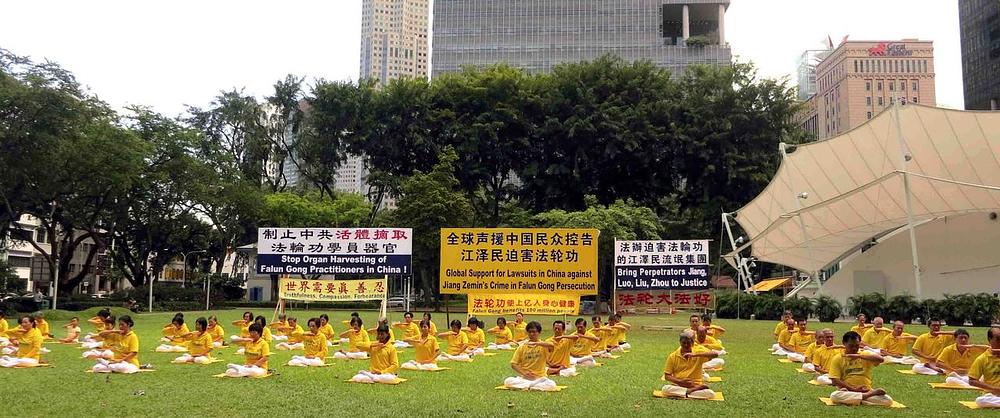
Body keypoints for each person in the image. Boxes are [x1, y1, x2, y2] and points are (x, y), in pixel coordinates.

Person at [828, 331, 893, 406]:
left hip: (865, 390)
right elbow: (835, 380)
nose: (854, 348)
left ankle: (856, 400)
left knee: (888, 400)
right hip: (848, 391)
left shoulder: (864, 354)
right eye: (851, 346)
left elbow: (881, 359)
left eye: (857, 345)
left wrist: (859, 356)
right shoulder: (838, 358)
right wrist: (854, 389)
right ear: (844, 343)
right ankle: (866, 397)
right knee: (834, 396)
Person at [660, 329, 721, 399]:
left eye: (688, 343)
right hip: (680, 385)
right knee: (665, 389)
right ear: (680, 342)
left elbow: (715, 354)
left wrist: (694, 355)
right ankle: (690, 391)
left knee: (711, 394)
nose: (686, 345)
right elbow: (667, 376)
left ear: (692, 343)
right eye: (684, 343)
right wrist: (680, 382)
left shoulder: (697, 353)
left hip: (695, 384)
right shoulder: (673, 356)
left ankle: (682, 393)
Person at [503, 321, 557, 391]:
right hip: (524, 378)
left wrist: (536, 343)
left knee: (552, 384)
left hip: (539, 379)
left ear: (539, 332)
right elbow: (513, 364)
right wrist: (525, 373)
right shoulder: (522, 347)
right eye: (530, 332)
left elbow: (551, 346)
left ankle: (527, 386)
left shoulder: (543, 346)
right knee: (508, 381)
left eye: (534, 332)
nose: (532, 334)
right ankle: (532, 386)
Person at [967, 326, 1000, 408]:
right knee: (980, 401)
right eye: (998, 339)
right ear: (989, 339)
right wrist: (994, 389)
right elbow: (972, 380)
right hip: (993, 395)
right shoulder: (982, 359)